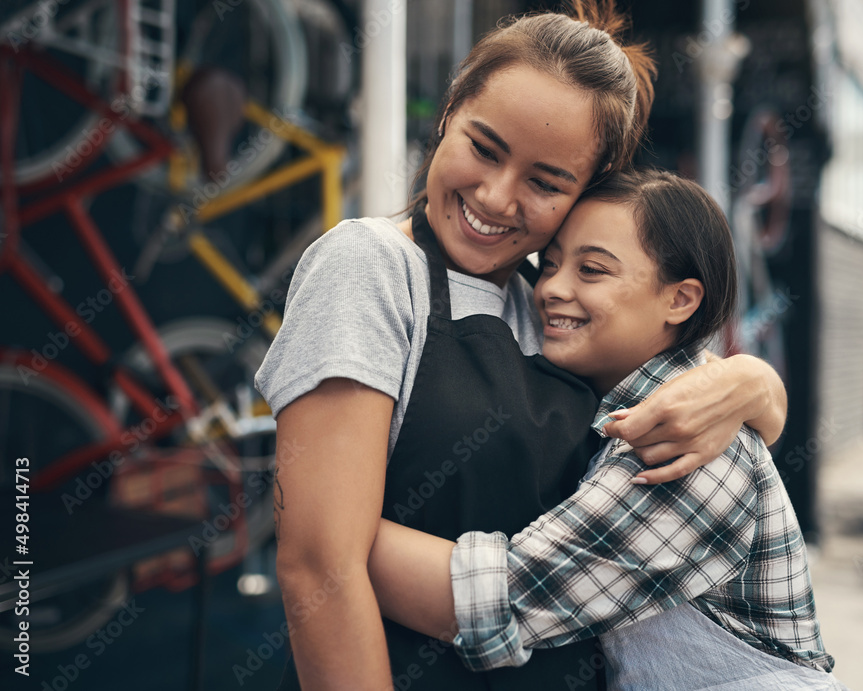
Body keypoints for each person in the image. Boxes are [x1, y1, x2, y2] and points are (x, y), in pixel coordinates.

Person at [254, 2, 788, 689]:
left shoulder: (560, 304)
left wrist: (754, 384)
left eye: (545, 182)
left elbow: (714, 400)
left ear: (584, 194)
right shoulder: (371, 269)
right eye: (483, 147)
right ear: (448, 113)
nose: (497, 197)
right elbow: (317, 569)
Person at [368, 168, 847, 690]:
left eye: (592, 270)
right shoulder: (645, 396)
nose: (553, 288)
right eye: (548, 265)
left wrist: (329, 533)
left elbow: (504, 599)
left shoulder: (689, 446)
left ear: (680, 300)